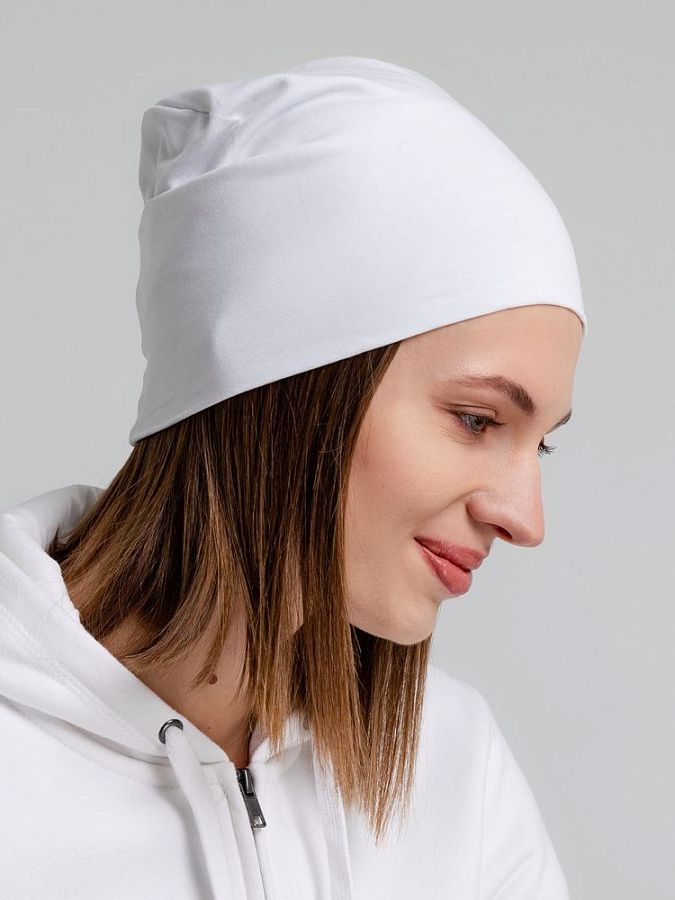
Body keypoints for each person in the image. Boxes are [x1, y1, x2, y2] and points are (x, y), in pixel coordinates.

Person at [0, 56, 587, 899]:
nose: (526, 519)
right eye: (476, 419)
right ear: (286, 387)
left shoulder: (455, 769)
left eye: (540, 446)